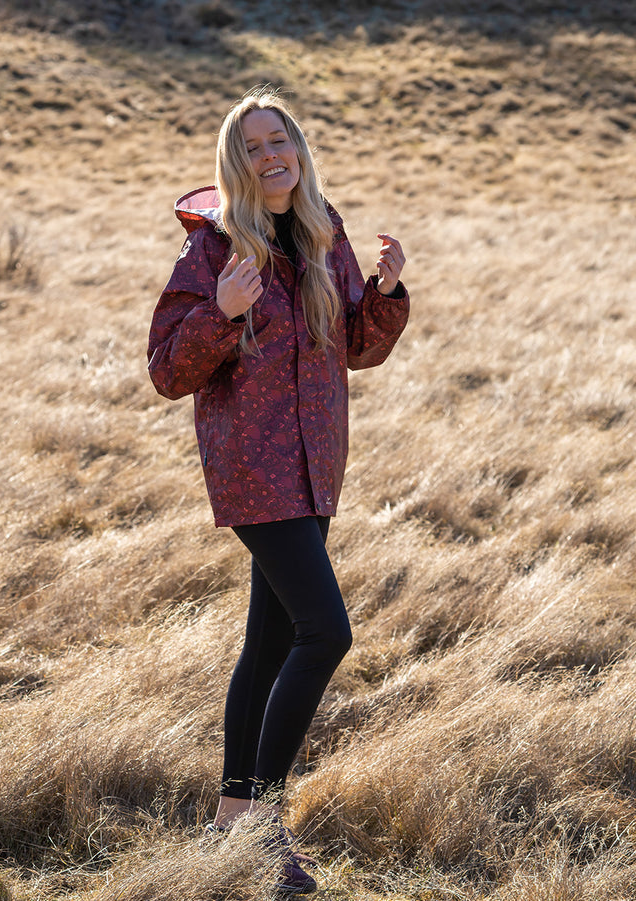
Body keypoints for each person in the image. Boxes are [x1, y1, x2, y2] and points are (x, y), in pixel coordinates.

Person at [147, 88, 409, 894]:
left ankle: (229, 817)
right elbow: (167, 371)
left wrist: (387, 292)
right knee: (325, 632)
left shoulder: (323, 238)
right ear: (237, 162)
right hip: (254, 469)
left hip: (315, 465)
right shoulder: (216, 250)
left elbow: (356, 349)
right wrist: (221, 313)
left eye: (280, 139)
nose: (271, 155)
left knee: (268, 644)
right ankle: (261, 820)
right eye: (253, 145)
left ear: (299, 148)